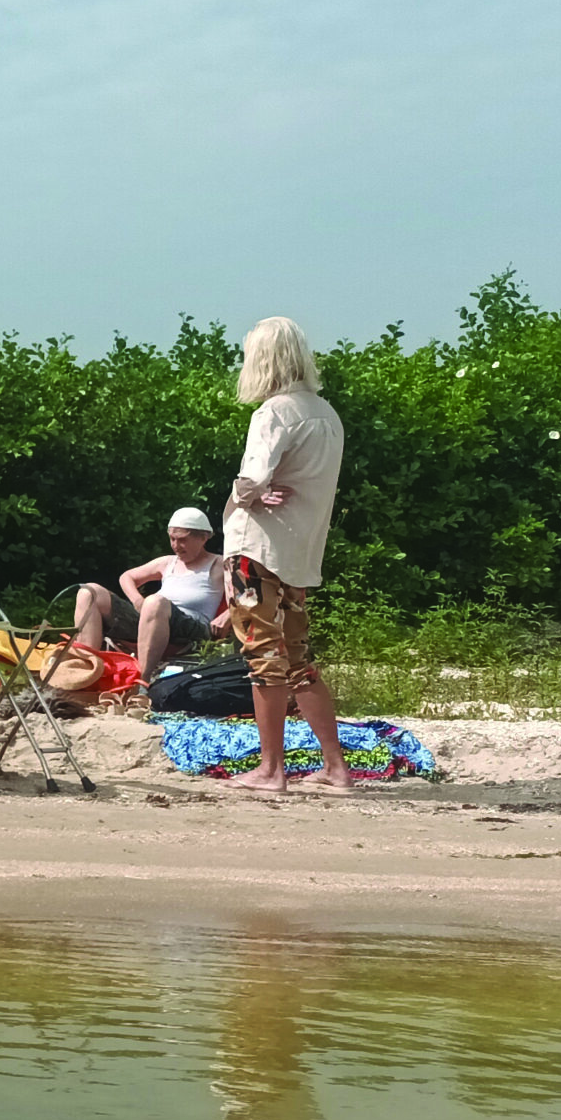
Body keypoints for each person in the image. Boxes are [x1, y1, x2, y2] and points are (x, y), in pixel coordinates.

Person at [219, 318, 349, 792]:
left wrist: (244, 493)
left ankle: (271, 769)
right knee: (298, 657)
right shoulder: (327, 414)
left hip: (256, 549)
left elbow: (252, 478)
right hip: (300, 550)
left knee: (262, 656)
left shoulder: (273, 412)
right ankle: (335, 766)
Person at [73, 507, 230, 685]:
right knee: (89, 592)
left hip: (192, 626)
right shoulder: (167, 562)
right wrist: (137, 600)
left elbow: (251, 593)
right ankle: (86, 669)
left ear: (203, 538)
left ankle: (142, 681)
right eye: (172, 539)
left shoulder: (220, 564)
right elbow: (127, 577)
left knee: (155, 601)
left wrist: (228, 614)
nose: (176, 546)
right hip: (152, 617)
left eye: (183, 540)